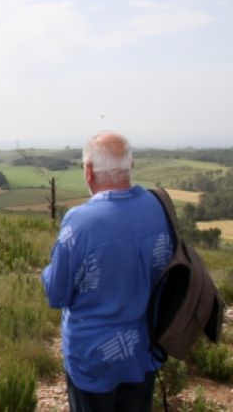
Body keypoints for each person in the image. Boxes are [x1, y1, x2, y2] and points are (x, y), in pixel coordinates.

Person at [41, 131, 174, 412]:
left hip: (93, 360)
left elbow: (56, 293)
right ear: (131, 166)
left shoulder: (80, 222)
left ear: (89, 171)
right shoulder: (158, 207)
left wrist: (48, 271)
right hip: (144, 349)